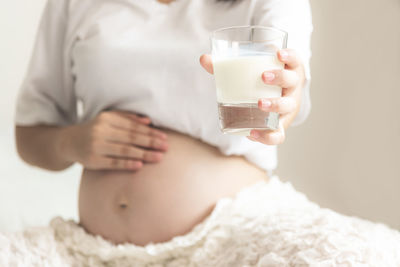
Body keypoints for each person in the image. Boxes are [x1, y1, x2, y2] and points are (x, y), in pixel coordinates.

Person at [13, 0, 400, 266]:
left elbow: (283, 88)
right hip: (87, 252)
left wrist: (285, 98)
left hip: (231, 235)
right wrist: (73, 142)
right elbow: (30, 132)